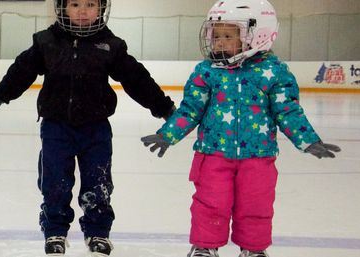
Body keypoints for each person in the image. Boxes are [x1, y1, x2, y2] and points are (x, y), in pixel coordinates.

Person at [0, 0, 176, 256]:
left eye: (90, 4)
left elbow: (137, 79)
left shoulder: (110, 45)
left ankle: (98, 232)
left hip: (96, 128)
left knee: (99, 182)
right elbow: (21, 71)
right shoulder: (47, 42)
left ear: (101, 8)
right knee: (55, 182)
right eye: (75, 4)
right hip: (56, 128)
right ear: (62, 8)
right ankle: (55, 231)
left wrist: (164, 108)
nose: (82, 11)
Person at [139, 1, 340, 256]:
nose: (218, 42)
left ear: (257, 36)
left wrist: (307, 140)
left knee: (256, 205)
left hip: (258, 157)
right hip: (213, 154)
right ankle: (204, 247)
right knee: (210, 203)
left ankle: (254, 249)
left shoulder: (273, 72)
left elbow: (287, 110)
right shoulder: (207, 71)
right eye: (215, 35)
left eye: (227, 36)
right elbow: (191, 109)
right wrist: (167, 134)